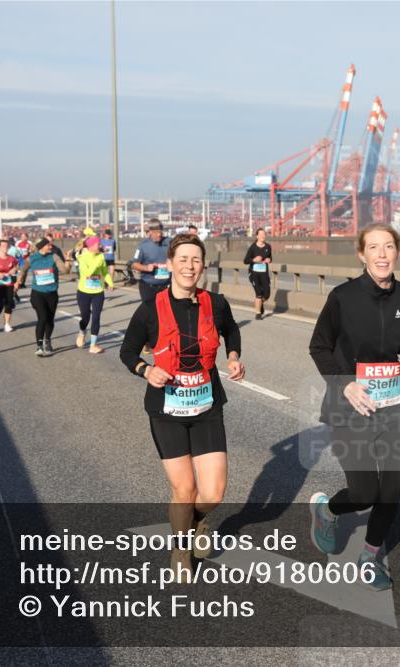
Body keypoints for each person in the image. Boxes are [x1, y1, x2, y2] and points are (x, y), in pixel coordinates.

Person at [307, 223, 400, 592]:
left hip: (394, 408)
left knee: (391, 492)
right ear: (361, 254)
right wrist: (345, 384)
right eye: (373, 247)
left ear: (397, 252)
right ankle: (327, 510)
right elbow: (319, 347)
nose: (381, 254)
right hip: (350, 408)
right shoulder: (343, 297)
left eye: (388, 246)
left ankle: (369, 557)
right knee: (365, 494)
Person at [119, 233, 244, 580]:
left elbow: (231, 330)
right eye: (183, 260)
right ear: (171, 264)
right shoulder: (149, 310)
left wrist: (233, 356)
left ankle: (199, 518)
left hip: (206, 408)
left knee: (213, 493)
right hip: (167, 411)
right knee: (184, 490)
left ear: (202, 265)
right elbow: (128, 352)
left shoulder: (215, 304)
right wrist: (146, 370)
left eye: (196, 260)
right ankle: (181, 547)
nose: (190, 266)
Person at [16, 239, 70, 356]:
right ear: (41, 247)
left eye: (50, 245)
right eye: (48, 245)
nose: (50, 247)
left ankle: (48, 341)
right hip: (37, 293)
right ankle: (39, 346)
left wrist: (68, 260)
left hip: (52, 294)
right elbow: (23, 269)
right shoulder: (32, 258)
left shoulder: (54, 257)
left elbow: (65, 271)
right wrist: (19, 280)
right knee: (43, 318)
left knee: (50, 320)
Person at [75, 236, 114, 354]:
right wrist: (97, 261)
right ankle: (82, 332)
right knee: (85, 317)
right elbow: (88, 273)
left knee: (96, 317)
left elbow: (104, 272)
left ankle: (93, 344)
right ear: (91, 246)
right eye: (98, 244)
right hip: (84, 292)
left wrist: (110, 283)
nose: (100, 246)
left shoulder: (101, 257)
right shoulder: (82, 257)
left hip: (98, 292)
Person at [130, 220, 170, 304]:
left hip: (166, 286)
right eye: (156, 232)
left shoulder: (170, 242)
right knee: (151, 313)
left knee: (164, 313)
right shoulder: (143, 246)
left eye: (160, 232)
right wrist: (146, 268)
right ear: (150, 232)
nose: (159, 234)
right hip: (148, 286)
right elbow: (134, 264)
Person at [243, 228, 272, 319]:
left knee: (266, 294)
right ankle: (258, 313)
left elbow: (270, 258)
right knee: (258, 293)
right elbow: (245, 260)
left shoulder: (268, 247)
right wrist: (254, 260)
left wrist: (269, 260)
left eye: (264, 234)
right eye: (261, 234)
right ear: (257, 236)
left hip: (264, 273)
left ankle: (259, 303)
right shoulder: (253, 247)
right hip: (254, 274)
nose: (263, 236)